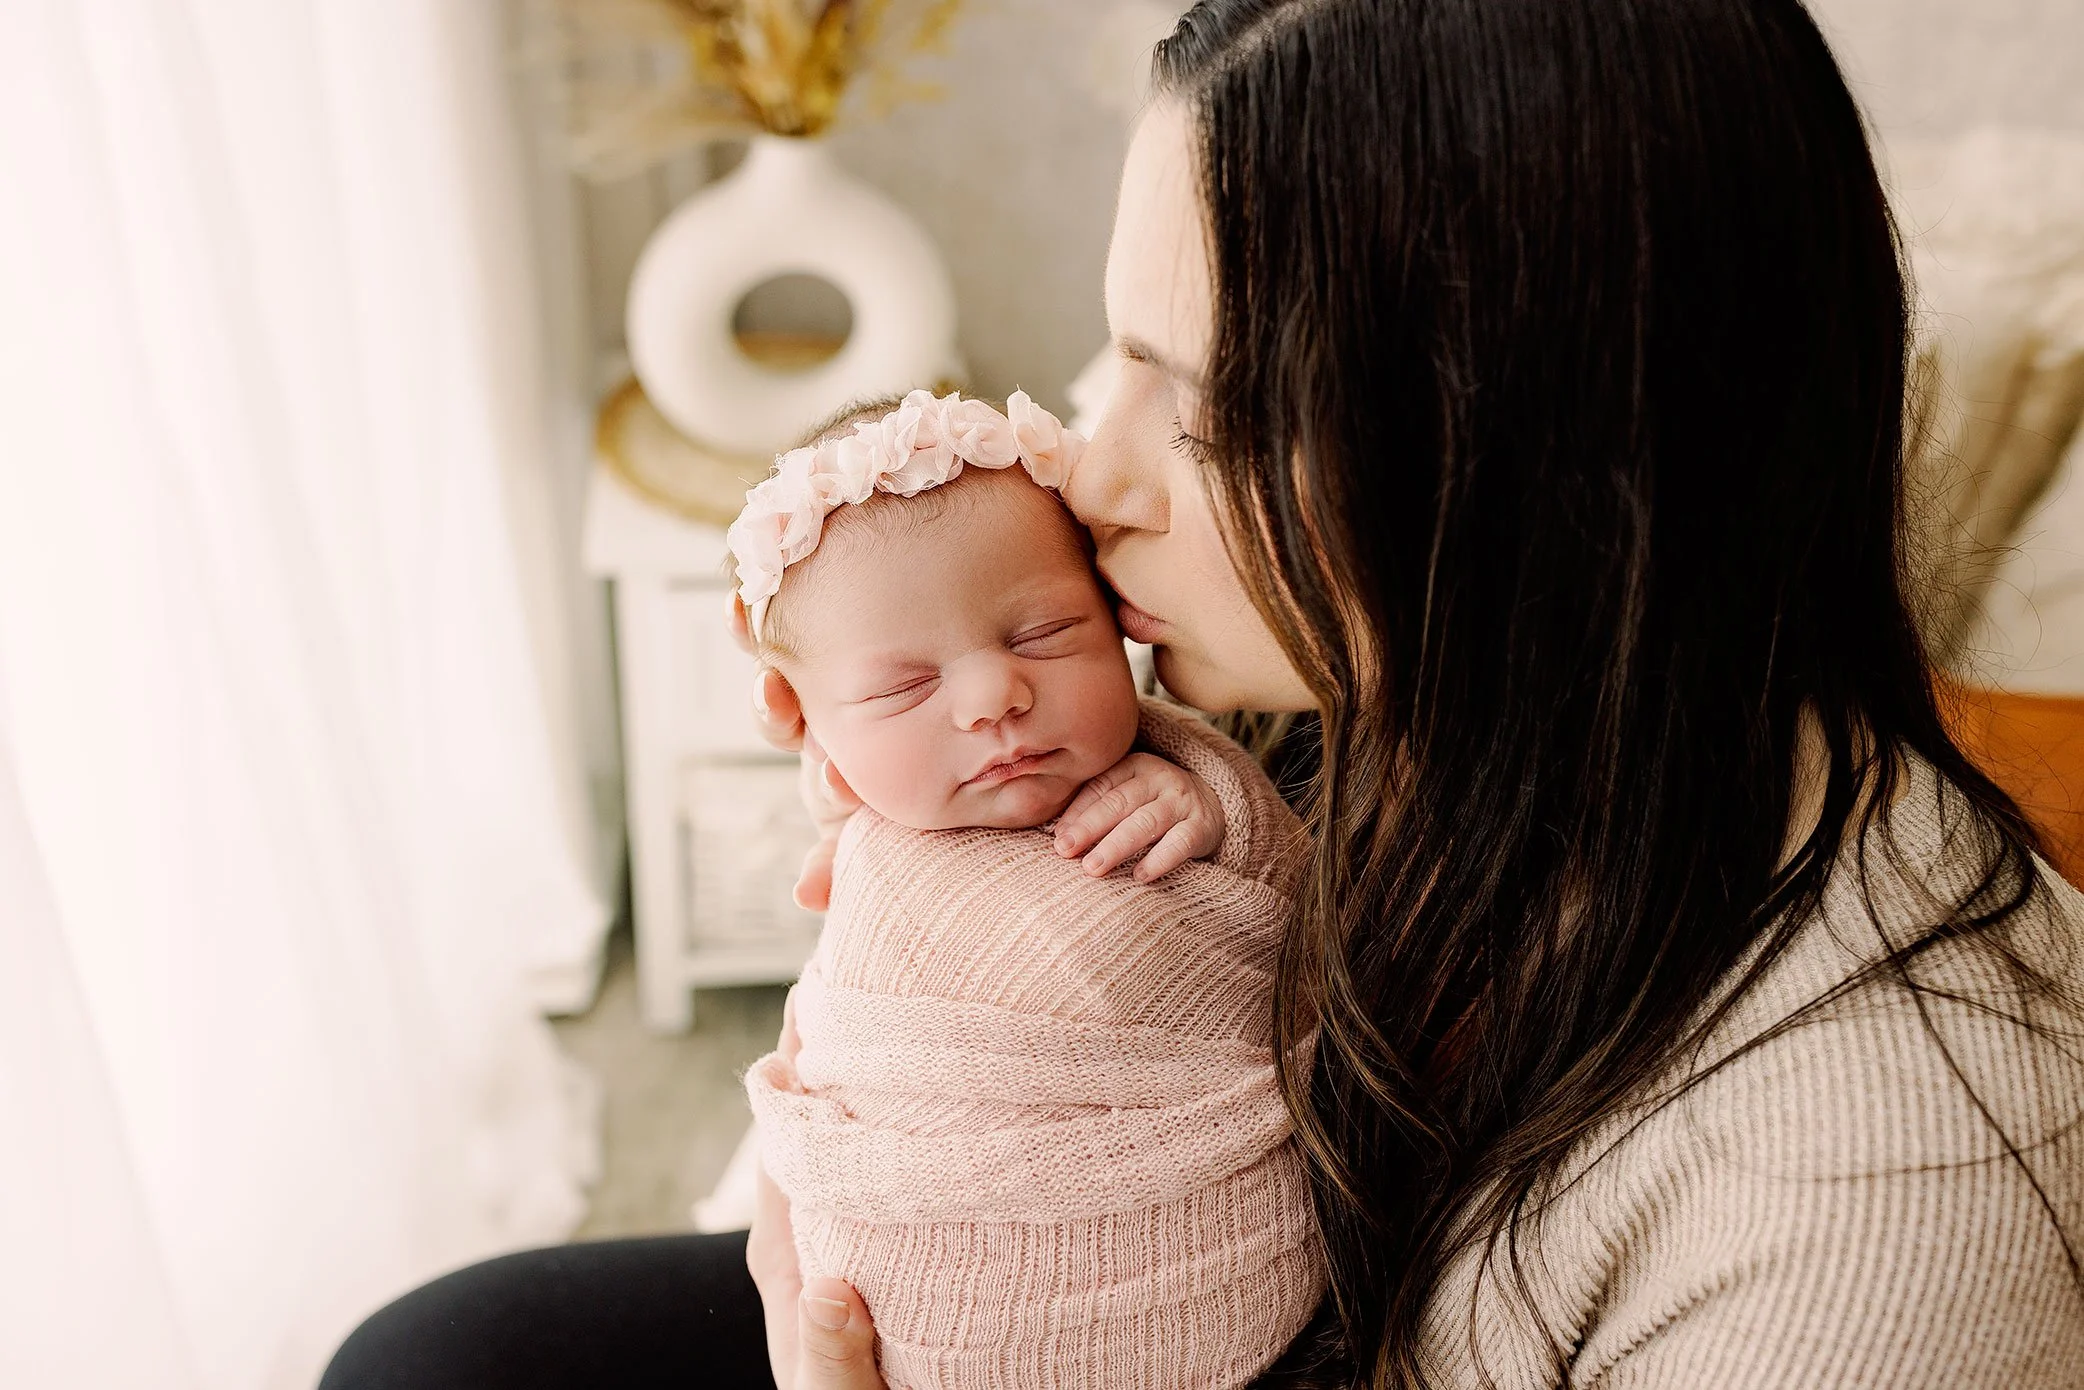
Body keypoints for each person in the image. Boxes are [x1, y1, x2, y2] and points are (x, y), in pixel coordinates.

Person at [320, 2, 2084, 1387]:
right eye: (1121, 363)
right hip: (1047, 1285)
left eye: (1210, 409)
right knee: (440, 1356)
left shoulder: (1888, 1198)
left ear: (1552, 471)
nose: (1089, 477)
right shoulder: (1340, 678)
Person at [732, 390, 1323, 1390]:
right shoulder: (866, 825)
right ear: (803, 718)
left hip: (1191, 1262)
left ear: (1114, 618)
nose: (990, 696)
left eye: (1045, 634)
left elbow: (1284, 902)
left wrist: (1208, 801)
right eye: (901, 688)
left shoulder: (1187, 769)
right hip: (894, 1286)